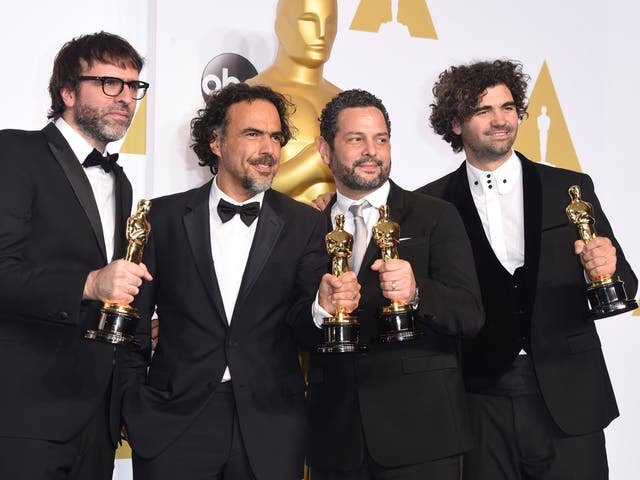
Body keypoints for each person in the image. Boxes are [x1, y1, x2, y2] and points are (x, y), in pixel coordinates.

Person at [120, 82, 360, 480]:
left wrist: (322, 309)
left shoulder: (305, 225)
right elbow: (132, 323)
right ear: (216, 142)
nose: (268, 148)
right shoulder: (161, 219)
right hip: (173, 424)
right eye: (252, 134)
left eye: (275, 136)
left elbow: (305, 330)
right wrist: (131, 404)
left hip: (269, 427)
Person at [417, 59, 637, 479]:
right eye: (484, 110)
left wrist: (605, 269)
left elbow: (622, 283)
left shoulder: (570, 188)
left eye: (508, 107)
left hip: (569, 396)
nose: (501, 120)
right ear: (456, 123)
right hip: (477, 402)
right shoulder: (430, 205)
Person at [306, 89, 484, 479]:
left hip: (423, 435)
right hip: (336, 438)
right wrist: (319, 309)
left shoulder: (435, 215)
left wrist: (417, 292)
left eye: (381, 139)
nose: (372, 151)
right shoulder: (305, 227)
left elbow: (470, 315)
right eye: (356, 139)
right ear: (324, 149)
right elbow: (284, 324)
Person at [0, 32, 151, 480]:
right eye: (109, 83)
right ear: (67, 91)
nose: (125, 97)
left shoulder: (121, 183)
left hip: (97, 418)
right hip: (25, 414)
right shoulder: (14, 153)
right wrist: (88, 284)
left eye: (133, 86)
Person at [246, 0, 340, 204]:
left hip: (340, 231)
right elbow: (237, 182)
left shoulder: (346, 101)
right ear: (280, 24)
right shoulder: (250, 95)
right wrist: (315, 162)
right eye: (309, 20)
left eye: (330, 22)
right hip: (274, 231)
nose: (321, 32)